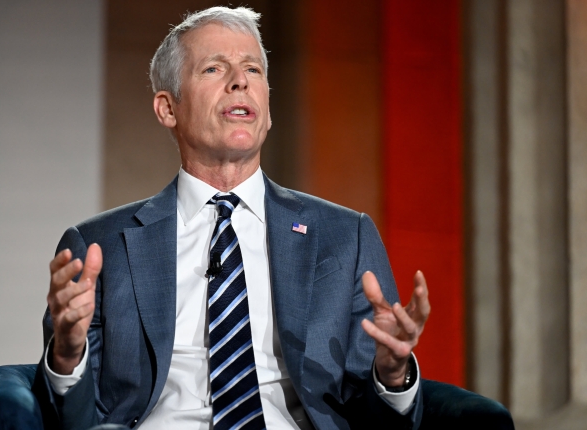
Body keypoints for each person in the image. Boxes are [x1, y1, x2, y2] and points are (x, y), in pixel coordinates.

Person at [32, 6, 513, 430]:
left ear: (266, 108)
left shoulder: (343, 237)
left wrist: (391, 373)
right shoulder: (101, 246)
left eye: (253, 69)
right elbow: (73, 419)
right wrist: (68, 355)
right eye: (214, 68)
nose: (240, 81)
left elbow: (377, 421)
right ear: (167, 108)